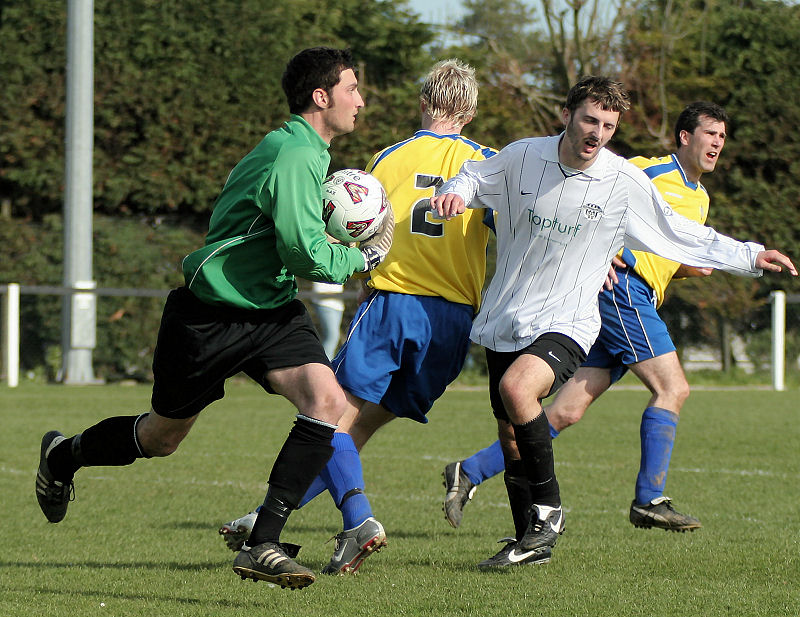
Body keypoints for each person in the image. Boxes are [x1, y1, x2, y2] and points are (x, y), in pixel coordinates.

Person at [33, 47, 394, 591]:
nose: (360, 102)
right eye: (353, 88)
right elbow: (301, 251)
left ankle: (263, 543)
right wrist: (359, 256)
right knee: (160, 438)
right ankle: (64, 456)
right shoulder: (294, 154)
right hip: (211, 314)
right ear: (322, 97)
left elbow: (290, 248)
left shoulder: (307, 152)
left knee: (328, 402)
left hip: (269, 308)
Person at [429, 77, 795, 570]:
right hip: (507, 313)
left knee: (521, 391)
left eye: (608, 125)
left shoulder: (623, 181)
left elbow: (678, 232)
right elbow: (475, 176)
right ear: (566, 115)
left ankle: (550, 513)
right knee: (515, 432)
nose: (598, 133)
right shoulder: (521, 156)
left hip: (572, 317)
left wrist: (749, 254)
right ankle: (525, 543)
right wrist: (456, 191)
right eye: (590, 120)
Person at [217, 59, 501, 571]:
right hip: (453, 323)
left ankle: (354, 520)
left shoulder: (387, 158)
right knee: (355, 428)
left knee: (331, 422)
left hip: (393, 303)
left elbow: (355, 224)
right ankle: (262, 521)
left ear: (423, 101)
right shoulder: (487, 163)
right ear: (472, 110)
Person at [442, 101, 732, 534]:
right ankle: (649, 499)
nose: (717, 144)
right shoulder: (646, 172)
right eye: (710, 134)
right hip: (622, 292)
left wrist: (690, 265)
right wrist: (604, 254)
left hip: (637, 298)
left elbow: (664, 245)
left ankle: (468, 471)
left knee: (564, 413)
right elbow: (593, 200)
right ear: (684, 137)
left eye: (723, 137)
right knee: (673, 387)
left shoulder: (701, 198)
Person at [309, 281, 346, 358]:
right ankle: (325, 366)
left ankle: (325, 364)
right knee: (332, 336)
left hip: (338, 305)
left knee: (333, 337)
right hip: (324, 302)